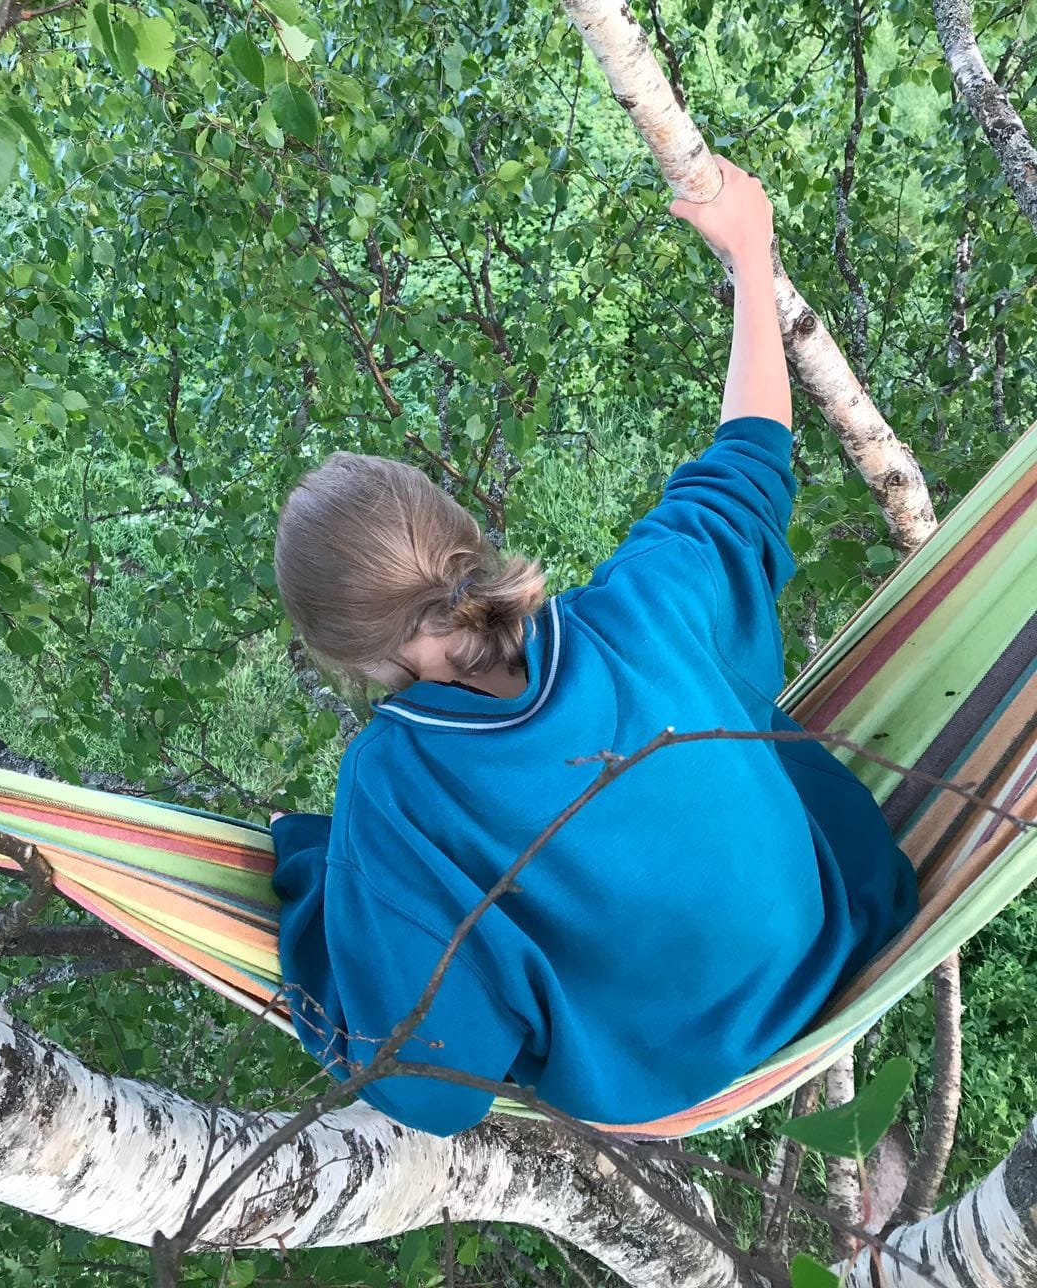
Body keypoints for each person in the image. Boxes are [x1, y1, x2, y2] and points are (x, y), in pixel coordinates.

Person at [269, 156, 918, 1137]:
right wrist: (751, 251)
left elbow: (425, 1082)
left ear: (345, 652)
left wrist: (319, 881)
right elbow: (749, 461)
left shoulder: (395, 783)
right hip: (838, 930)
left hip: (678, 1069)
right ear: (464, 538)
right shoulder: (648, 598)